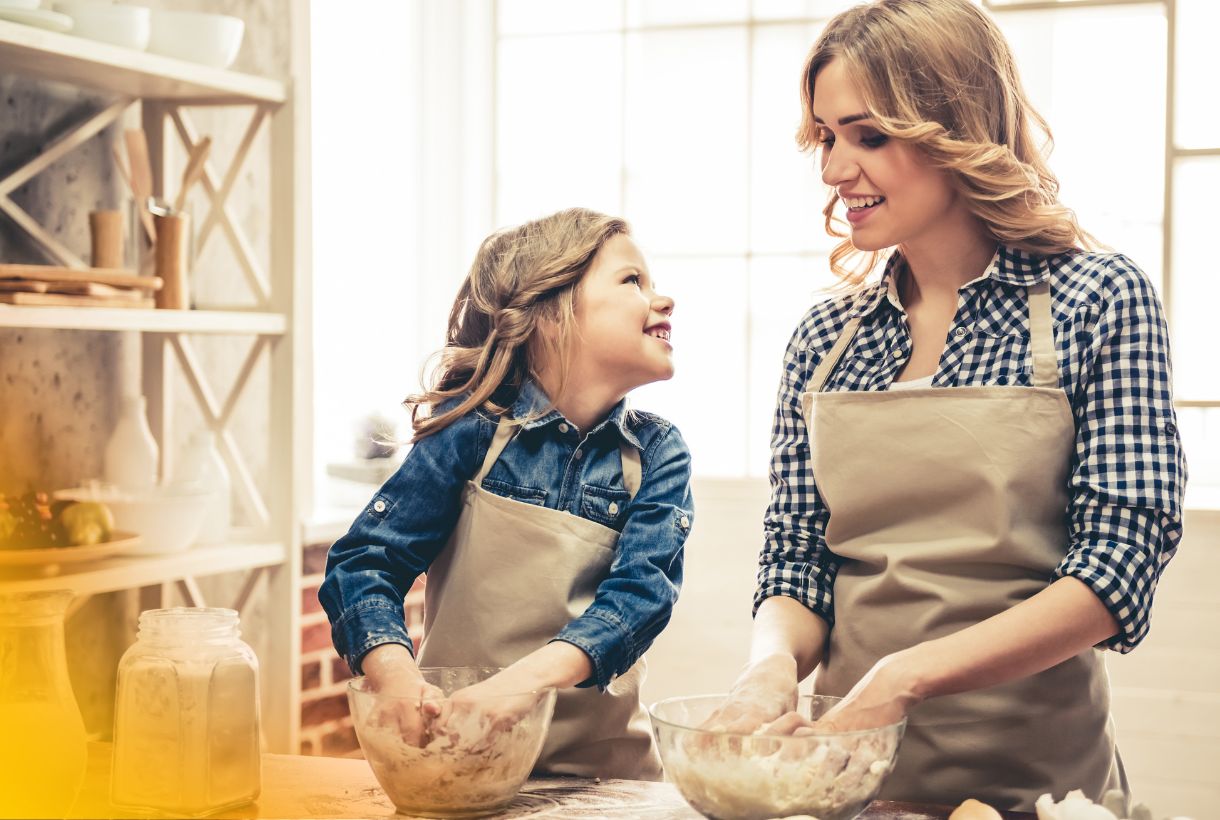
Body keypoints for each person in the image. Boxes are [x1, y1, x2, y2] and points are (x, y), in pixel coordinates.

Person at [714, 0, 1186, 811]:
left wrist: (903, 679)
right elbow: (797, 556)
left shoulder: (1098, 299)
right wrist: (770, 666)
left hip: (1042, 789)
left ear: (953, 126)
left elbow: (1117, 568)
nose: (833, 170)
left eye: (868, 136)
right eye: (826, 137)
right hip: (853, 784)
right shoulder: (825, 338)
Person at [319, 207, 693, 781]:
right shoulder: (469, 430)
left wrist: (517, 688)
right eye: (631, 281)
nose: (663, 300)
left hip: (604, 778)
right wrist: (393, 674)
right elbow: (365, 563)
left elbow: (638, 600)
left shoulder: (658, 454)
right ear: (550, 314)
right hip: (458, 765)